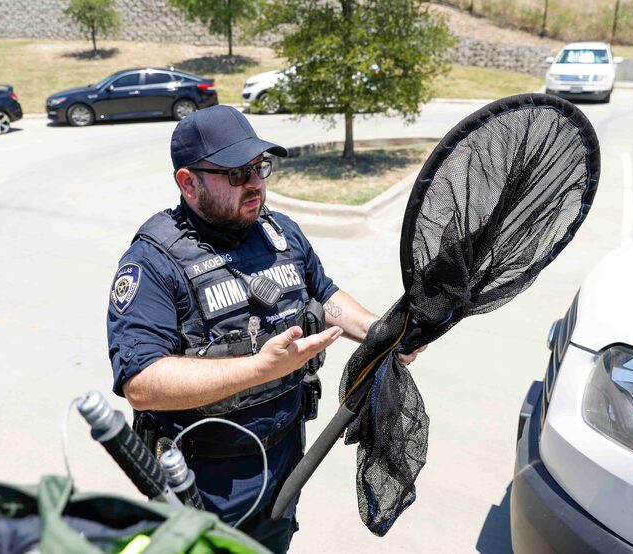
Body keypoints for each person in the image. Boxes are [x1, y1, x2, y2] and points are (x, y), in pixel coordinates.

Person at [106, 105, 422, 553]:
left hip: (286, 465)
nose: (255, 183)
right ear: (188, 182)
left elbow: (325, 296)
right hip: (203, 482)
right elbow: (142, 383)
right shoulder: (153, 263)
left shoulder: (281, 232)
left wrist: (382, 330)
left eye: (260, 167)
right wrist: (260, 368)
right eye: (236, 173)